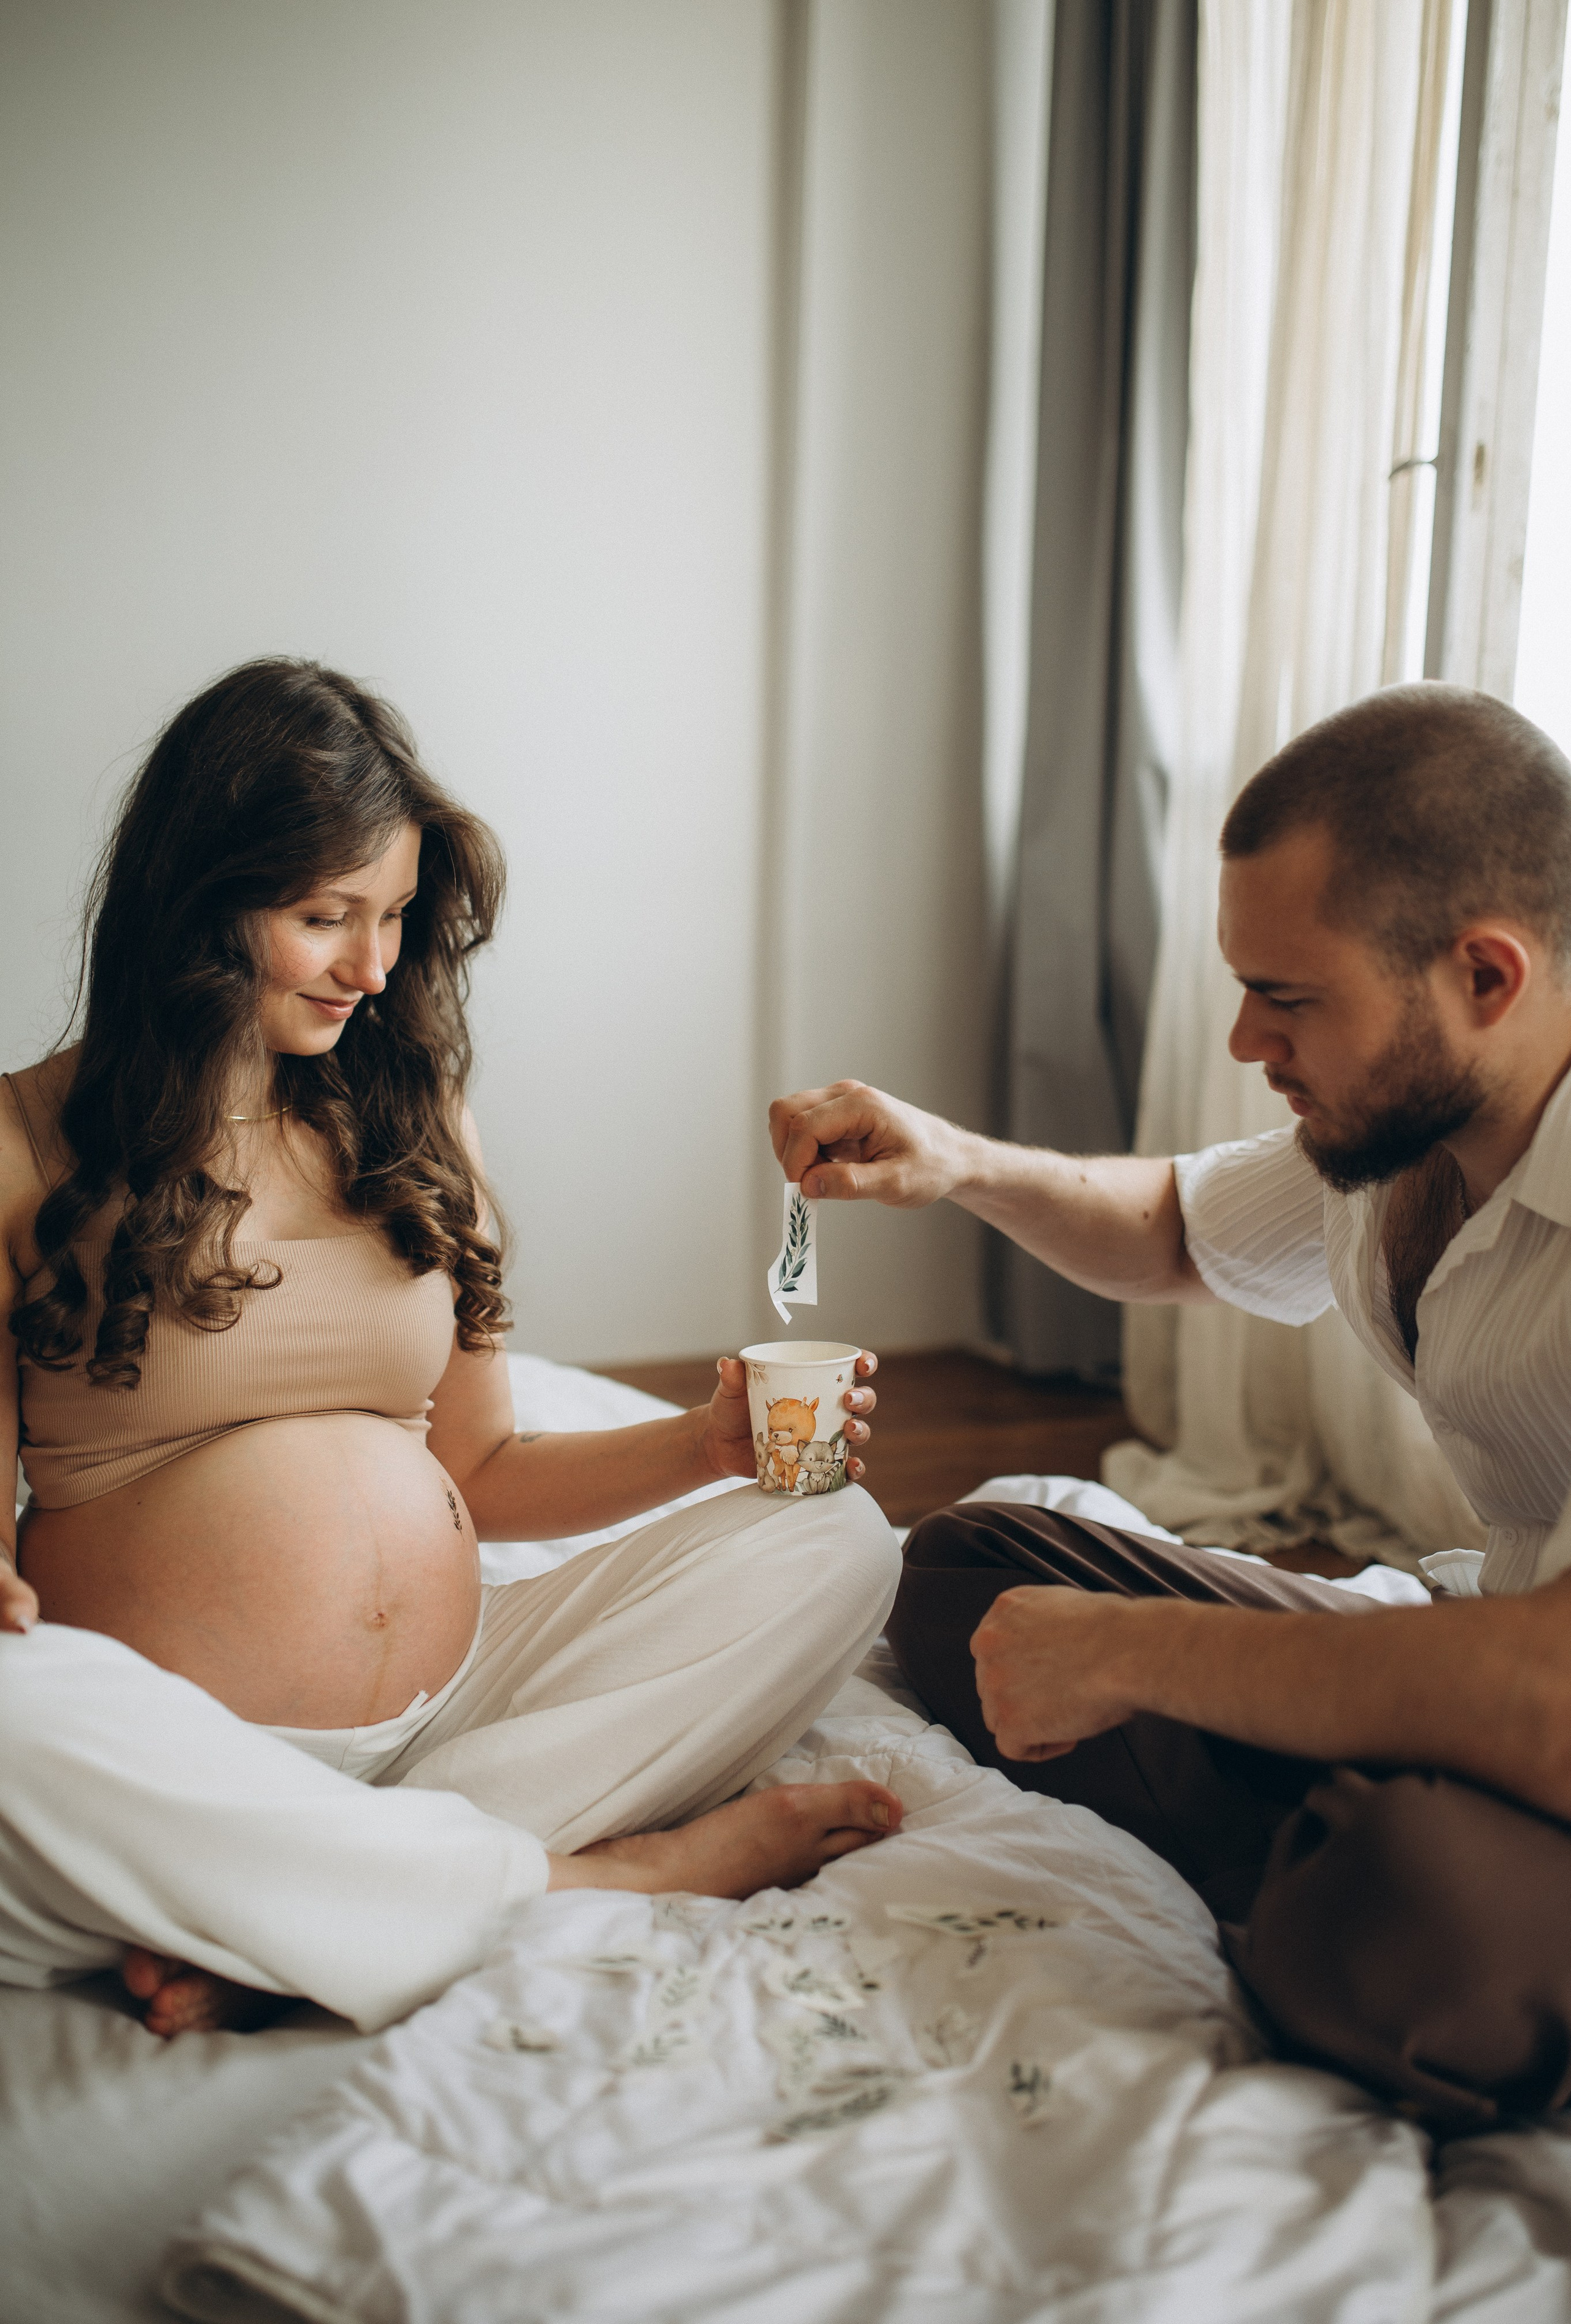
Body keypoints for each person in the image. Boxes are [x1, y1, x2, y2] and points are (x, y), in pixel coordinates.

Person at [1, 658, 903, 2041]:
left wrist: (704, 1446)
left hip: (454, 1718)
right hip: (180, 1757)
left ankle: (313, 1906)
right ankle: (578, 1874)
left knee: (833, 1538)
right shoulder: (19, 1143)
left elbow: (479, 1465)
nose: (373, 967)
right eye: (324, 918)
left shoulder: (416, 1119)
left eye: (397, 918)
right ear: (201, 905)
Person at [771, 682, 1571, 2133]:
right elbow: (1169, 1228)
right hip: (1478, 1658)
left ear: (1485, 976)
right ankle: (1337, 1832)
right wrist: (949, 1158)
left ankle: (1358, 1863)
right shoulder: (1406, 1127)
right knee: (969, 1569)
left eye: (1288, 997)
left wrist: (1147, 1652)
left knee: (1403, 1920)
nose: (1243, 1041)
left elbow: (1549, 1685)